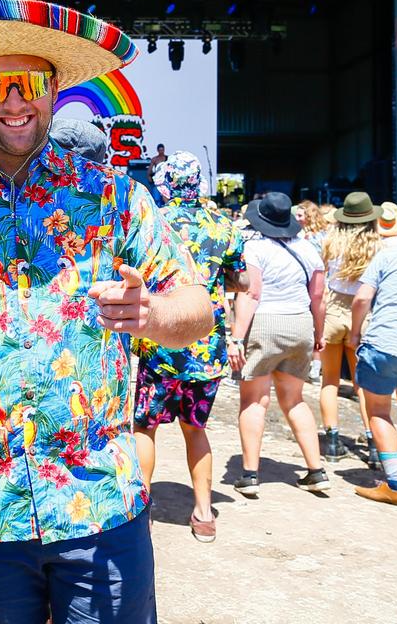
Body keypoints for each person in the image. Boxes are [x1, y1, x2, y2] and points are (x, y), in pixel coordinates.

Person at [0, 0, 212, 623]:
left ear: (55, 88)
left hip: (99, 505)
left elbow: (197, 308)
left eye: (30, 82)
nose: (15, 100)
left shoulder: (117, 198)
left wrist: (153, 317)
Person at [133, 151, 247, 543]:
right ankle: (203, 513)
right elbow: (242, 280)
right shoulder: (223, 225)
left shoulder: (157, 220)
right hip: (205, 347)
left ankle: (140, 513)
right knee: (195, 430)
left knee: (144, 428)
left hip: (159, 344)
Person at [229, 193, 331, 496]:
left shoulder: (254, 248)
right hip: (300, 322)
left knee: (254, 400)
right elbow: (318, 298)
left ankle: (249, 474)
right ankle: (316, 471)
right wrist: (318, 334)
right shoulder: (309, 249)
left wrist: (236, 338)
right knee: (295, 399)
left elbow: (252, 294)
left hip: (265, 323)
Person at [349, 223, 397, 506]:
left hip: (385, 344)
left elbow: (362, 298)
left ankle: (395, 485)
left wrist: (355, 333)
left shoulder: (389, 256)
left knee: (379, 411)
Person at [318, 192, 382, 465]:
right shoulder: (378, 246)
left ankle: (332, 442)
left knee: (329, 380)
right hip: (364, 313)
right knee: (363, 385)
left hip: (333, 309)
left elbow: (322, 282)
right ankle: (374, 443)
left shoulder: (330, 242)